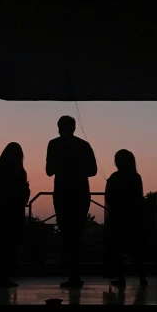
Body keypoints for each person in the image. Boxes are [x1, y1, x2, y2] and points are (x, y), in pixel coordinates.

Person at [46, 115, 97, 287]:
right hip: (81, 193)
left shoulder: (54, 144)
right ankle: (75, 275)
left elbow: (49, 170)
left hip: (62, 193)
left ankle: (72, 275)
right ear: (74, 128)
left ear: (59, 127)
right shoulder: (84, 145)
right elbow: (93, 171)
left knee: (67, 234)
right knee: (78, 233)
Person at [0, 142, 30, 287]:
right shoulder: (20, 171)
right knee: (10, 244)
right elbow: (23, 196)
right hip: (14, 209)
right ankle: (4, 276)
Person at [103, 149, 147, 287]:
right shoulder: (136, 177)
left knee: (117, 249)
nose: (115, 163)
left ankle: (121, 278)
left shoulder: (115, 178)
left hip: (117, 218)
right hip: (133, 217)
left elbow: (109, 198)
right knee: (136, 249)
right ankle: (142, 277)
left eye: (117, 160)